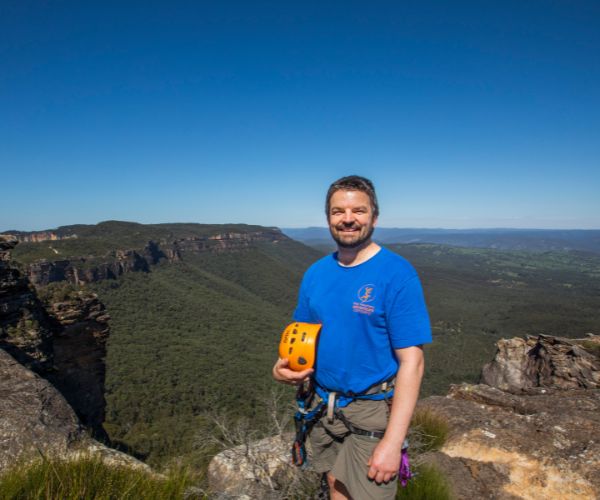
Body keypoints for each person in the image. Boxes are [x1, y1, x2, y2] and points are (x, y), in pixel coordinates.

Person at [273, 175, 432, 499]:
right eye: (337, 211)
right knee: (335, 484)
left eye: (358, 210)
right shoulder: (316, 273)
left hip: (371, 409)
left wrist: (392, 441)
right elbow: (303, 334)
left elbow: (412, 362)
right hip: (321, 403)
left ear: (374, 216)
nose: (347, 219)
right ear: (328, 218)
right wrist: (283, 366)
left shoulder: (397, 274)